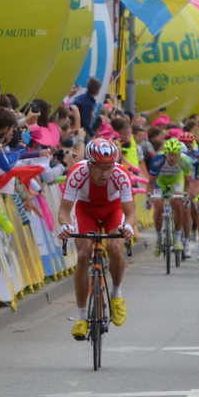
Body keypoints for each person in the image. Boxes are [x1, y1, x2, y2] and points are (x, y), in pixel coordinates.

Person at [57, 139, 136, 340]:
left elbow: (131, 213)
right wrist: (66, 226)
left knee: (114, 248)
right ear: (90, 165)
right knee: (84, 254)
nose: (106, 174)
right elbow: (64, 211)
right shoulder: (77, 173)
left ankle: (116, 295)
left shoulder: (121, 174)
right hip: (86, 211)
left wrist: (127, 227)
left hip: (113, 210)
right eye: (100, 169)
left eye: (109, 168)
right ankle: (82, 317)